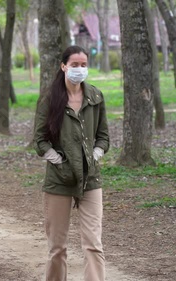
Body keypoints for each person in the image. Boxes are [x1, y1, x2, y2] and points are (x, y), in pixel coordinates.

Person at [33, 45, 109, 281]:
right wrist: (57, 160)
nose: (79, 69)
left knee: (93, 245)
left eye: (84, 65)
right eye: (75, 65)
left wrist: (94, 155)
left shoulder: (95, 96)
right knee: (57, 248)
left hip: (91, 179)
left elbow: (104, 137)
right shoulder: (50, 99)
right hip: (59, 180)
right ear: (63, 66)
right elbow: (39, 140)